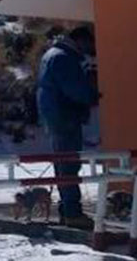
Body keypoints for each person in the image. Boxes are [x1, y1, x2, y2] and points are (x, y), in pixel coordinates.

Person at [37, 25, 99, 227]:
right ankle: (72, 212)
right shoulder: (64, 58)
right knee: (70, 164)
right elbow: (74, 89)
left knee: (62, 164)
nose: (90, 48)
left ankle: (67, 210)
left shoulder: (52, 55)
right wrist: (91, 95)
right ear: (80, 40)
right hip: (66, 117)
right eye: (89, 43)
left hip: (54, 116)